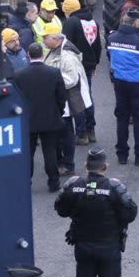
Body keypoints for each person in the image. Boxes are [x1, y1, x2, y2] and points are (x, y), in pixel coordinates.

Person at [56, 147, 139, 277]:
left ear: (86, 165)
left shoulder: (74, 185)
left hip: (83, 247)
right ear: (106, 166)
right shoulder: (114, 187)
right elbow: (130, 213)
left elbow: (61, 209)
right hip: (109, 248)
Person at [12, 43, 67, 192]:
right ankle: (53, 182)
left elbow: (15, 98)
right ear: (42, 54)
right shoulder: (54, 72)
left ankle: (26, 182)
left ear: (28, 55)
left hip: (28, 120)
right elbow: (61, 96)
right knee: (50, 152)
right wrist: (59, 111)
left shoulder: (19, 74)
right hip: (50, 118)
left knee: (28, 153)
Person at [106, 9, 139, 166]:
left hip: (119, 83)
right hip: (138, 84)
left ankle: (122, 155)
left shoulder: (111, 38)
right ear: (136, 23)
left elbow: (109, 56)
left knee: (122, 118)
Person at [43, 24, 90, 177]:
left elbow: (71, 79)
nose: (43, 41)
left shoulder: (67, 56)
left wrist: (52, 82)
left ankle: (68, 164)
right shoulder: (54, 51)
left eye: (45, 38)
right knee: (62, 133)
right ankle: (63, 162)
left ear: (55, 38)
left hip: (65, 100)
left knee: (66, 133)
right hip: (60, 99)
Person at [62, 0, 102, 145]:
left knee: (77, 99)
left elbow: (65, 44)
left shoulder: (71, 23)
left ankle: (81, 133)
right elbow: (98, 45)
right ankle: (91, 130)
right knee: (88, 96)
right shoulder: (93, 22)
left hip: (75, 65)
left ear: (67, 10)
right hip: (89, 65)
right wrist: (95, 64)